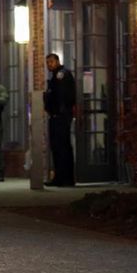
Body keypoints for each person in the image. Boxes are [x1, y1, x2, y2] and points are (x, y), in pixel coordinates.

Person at [43, 53, 76, 187]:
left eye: (51, 62)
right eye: (47, 62)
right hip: (55, 116)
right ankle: (58, 177)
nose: (49, 65)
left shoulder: (62, 74)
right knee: (56, 148)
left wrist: (62, 111)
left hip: (61, 117)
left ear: (57, 61)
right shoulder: (54, 77)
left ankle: (66, 179)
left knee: (63, 147)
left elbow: (63, 95)